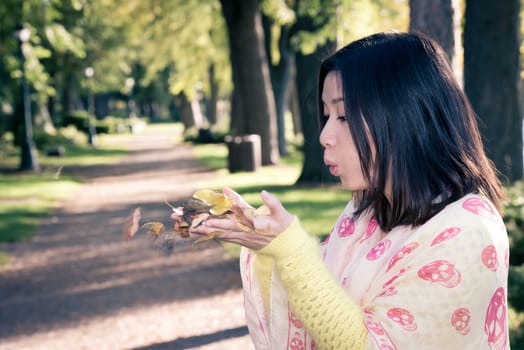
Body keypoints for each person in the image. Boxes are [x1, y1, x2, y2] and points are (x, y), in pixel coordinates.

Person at [173, 31, 510, 349]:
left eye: (344, 115)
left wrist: (292, 252)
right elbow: (324, 294)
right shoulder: (370, 211)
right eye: (326, 114)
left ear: (405, 116)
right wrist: (267, 241)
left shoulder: (468, 232)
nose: (324, 135)